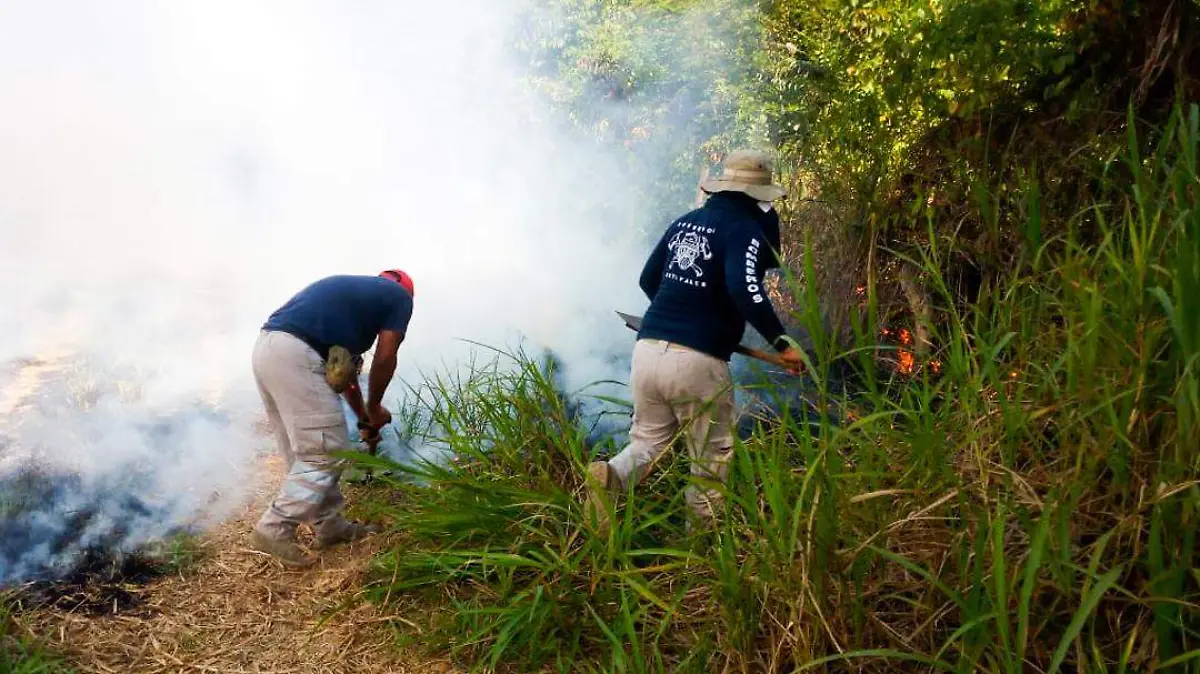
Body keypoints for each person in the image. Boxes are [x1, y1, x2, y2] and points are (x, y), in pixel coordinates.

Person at [585, 150, 805, 531]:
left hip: (648, 349)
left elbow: (647, 279)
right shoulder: (744, 228)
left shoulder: (686, 222)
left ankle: (611, 477)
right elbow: (744, 287)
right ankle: (699, 553)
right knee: (710, 457)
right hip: (695, 363)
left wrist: (677, 317)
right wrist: (783, 342)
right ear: (761, 197)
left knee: (647, 443)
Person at [249, 269, 415, 567]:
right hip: (297, 353)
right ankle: (274, 527)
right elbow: (386, 356)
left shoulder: (350, 306)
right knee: (326, 452)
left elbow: (345, 379)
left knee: (305, 450)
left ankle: (329, 525)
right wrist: (376, 406)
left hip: (269, 349)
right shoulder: (400, 297)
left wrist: (364, 417)